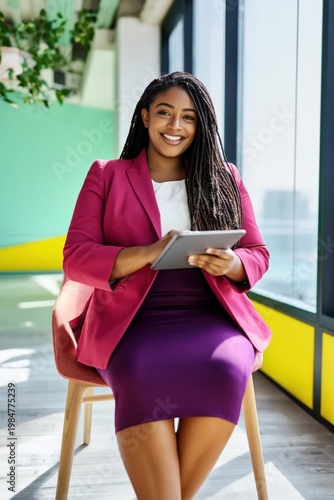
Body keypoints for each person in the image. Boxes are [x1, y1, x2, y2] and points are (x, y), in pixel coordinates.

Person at [63, 71, 271, 499]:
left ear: (201, 126)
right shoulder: (107, 175)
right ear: (144, 116)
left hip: (209, 314)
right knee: (141, 369)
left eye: (189, 117)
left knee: (228, 367)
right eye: (164, 113)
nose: (175, 126)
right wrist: (149, 252)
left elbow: (258, 254)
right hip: (130, 320)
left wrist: (231, 263)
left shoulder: (225, 178)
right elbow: (76, 257)